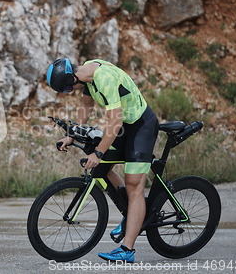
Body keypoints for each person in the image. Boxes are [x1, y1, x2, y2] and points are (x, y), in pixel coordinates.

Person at [46, 58, 159, 263]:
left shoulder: (103, 78)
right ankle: (130, 212)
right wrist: (71, 135)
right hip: (125, 125)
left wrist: (98, 153)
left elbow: (114, 122)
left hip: (141, 126)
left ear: (73, 78)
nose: (72, 90)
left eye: (69, 87)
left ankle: (127, 250)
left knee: (134, 185)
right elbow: (86, 108)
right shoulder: (88, 74)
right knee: (103, 170)